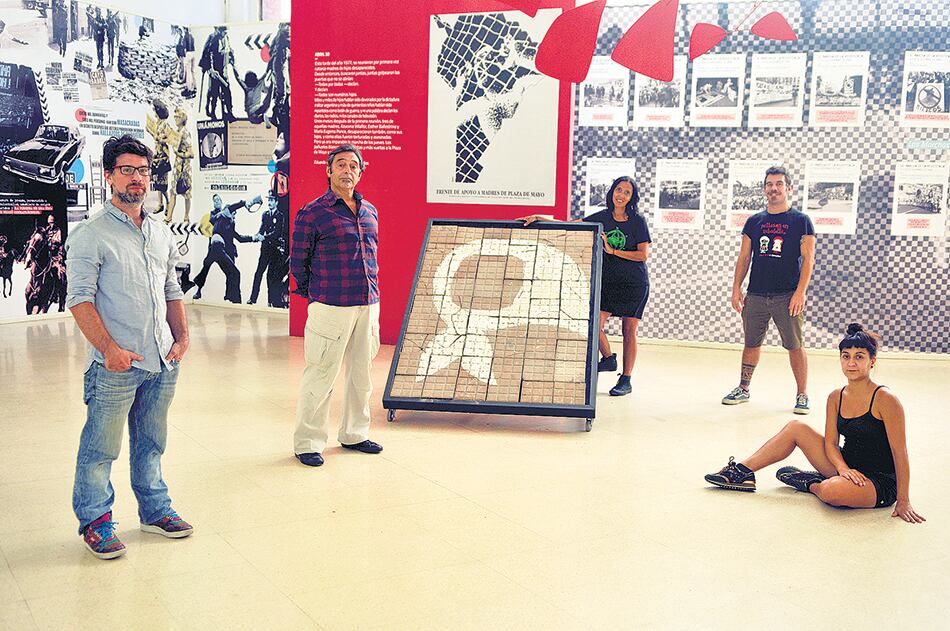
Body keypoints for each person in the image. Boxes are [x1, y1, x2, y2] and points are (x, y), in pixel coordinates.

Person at [64, 135, 193, 560]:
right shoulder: (90, 235)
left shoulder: (158, 232)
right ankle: (96, 521)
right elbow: (79, 300)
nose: (137, 178)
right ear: (109, 175)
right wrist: (110, 350)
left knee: (152, 441)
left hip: (161, 360)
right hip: (115, 365)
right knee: (101, 447)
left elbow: (171, 287)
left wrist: (183, 337)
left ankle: (155, 509)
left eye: (143, 170)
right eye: (127, 170)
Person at [704, 324, 925, 524]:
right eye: (846, 356)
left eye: (859, 357)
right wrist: (843, 468)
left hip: (878, 481)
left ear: (872, 361)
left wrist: (903, 500)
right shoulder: (836, 396)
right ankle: (741, 472)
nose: (851, 363)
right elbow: (830, 443)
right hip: (845, 466)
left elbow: (900, 452)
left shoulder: (886, 399)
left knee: (831, 492)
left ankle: (812, 483)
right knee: (796, 428)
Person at [519, 175, 652, 397]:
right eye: (619, 190)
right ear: (612, 193)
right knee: (593, 324)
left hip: (634, 283)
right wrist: (542, 218)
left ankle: (626, 379)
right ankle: (609, 359)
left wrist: (614, 251)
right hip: (609, 282)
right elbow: (572, 226)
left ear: (631, 198)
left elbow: (643, 255)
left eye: (627, 192)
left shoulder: (637, 221)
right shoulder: (602, 217)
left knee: (629, 331)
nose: (621, 195)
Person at [292, 143, 382, 467]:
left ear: (360, 172)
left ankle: (355, 434)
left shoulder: (370, 211)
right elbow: (297, 263)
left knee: (362, 375)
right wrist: (315, 293)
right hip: (330, 305)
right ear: (328, 171)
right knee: (321, 374)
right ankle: (308, 442)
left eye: (353, 166)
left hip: (368, 304)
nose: (347, 170)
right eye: (340, 165)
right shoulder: (313, 213)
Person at [722, 166, 816, 413]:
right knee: (751, 343)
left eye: (779, 184)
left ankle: (802, 394)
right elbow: (744, 258)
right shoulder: (754, 222)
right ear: (764, 189)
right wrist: (736, 289)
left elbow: (809, 259)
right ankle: (743, 388)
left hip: (787, 295)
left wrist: (800, 292)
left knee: (795, 345)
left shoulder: (801, 221)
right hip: (756, 294)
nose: (774, 188)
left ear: (788, 188)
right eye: (769, 184)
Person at [192, 194, 260, 303]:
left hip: (226, 250)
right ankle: (235, 300)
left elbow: (239, 238)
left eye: (219, 200)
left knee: (231, 274)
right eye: (233, 214)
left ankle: (230, 298)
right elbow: (220, 215)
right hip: (216, 248)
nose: (234, 216)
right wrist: (246, 202)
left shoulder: (230, 222)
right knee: (208, 267)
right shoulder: (221, 216)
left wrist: (254, 238)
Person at [247, 191, 287, 308]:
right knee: (258, 273)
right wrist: (257, 235)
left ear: (276, 202)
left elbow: (277, 232)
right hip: (265, 249)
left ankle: (270, 301)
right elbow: (262, 228)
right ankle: (252, 299)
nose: (269, 202)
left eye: (272, 200)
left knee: (270, 276)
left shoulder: (280, 216)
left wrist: (264, 236)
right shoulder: (265, 214)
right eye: (268, 200)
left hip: (274, 250)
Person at [199, 26, 235, 121]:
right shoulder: (213, 39)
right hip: (215, 71)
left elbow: (229, 50)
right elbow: (207, 54)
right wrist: (210, 69)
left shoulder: (226, 38)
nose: (225, 33)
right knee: (214, 93)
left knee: (226, 91)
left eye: (226, 31)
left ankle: (229, 112)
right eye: (224, 31)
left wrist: (231, 58)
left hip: (224, 70)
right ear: (219, 30)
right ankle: (212, 113)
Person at [146, 98, 174, 217]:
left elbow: (169, 139)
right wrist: (151, 132)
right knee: (157, 182)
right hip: (157, 154)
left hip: (163, 156)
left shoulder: (165, 124)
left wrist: (157, 137)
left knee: (162, 184)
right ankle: (160, 204)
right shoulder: (158, 123)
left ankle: (168, 203)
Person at [167, 107, 193, 224]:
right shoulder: (177, 131)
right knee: (173, 191)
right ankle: (169, 218)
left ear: (183, 118)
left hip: (184, 168)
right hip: (177, 166)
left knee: (186, 192)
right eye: (175, 116)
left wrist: (180, 154)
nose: (176, 119)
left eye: (178, 117)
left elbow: (191, 153)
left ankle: (186, 217)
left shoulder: (186, 133)